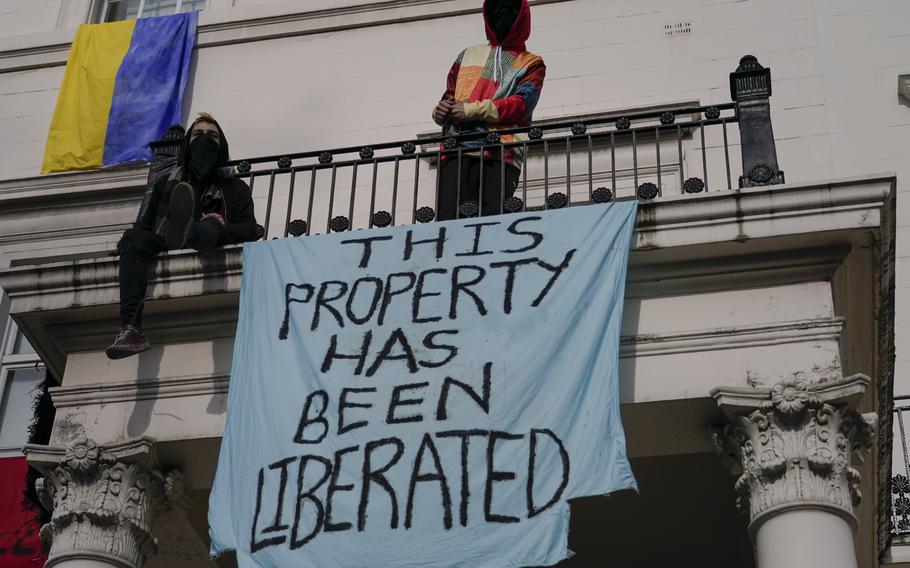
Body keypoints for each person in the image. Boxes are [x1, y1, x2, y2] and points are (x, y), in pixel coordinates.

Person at [106, 113, 258, 360]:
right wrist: (129, 243)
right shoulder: (166, 183)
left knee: (209, 225)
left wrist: (221, 224)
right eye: (198, 135)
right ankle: (130, 328)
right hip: (165, 240)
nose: (205, 139)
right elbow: (145, 225)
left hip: (210, 238)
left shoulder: (234, 187)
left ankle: (189, 230)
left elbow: (249, 229)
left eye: (212, 136)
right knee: (134, 237)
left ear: (222, 146)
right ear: (188, 144)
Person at [432, 0, 546, 220]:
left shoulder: (531, 62)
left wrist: (471, 110)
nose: (503, 12)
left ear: (521, 16)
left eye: (510, 9)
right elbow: (449, 96)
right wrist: (439, 111)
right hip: (455, 150)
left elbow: (521, 105)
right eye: (498, 8)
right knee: (449, 222)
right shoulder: (467, 55)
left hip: (501, 152)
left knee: (492, 221)